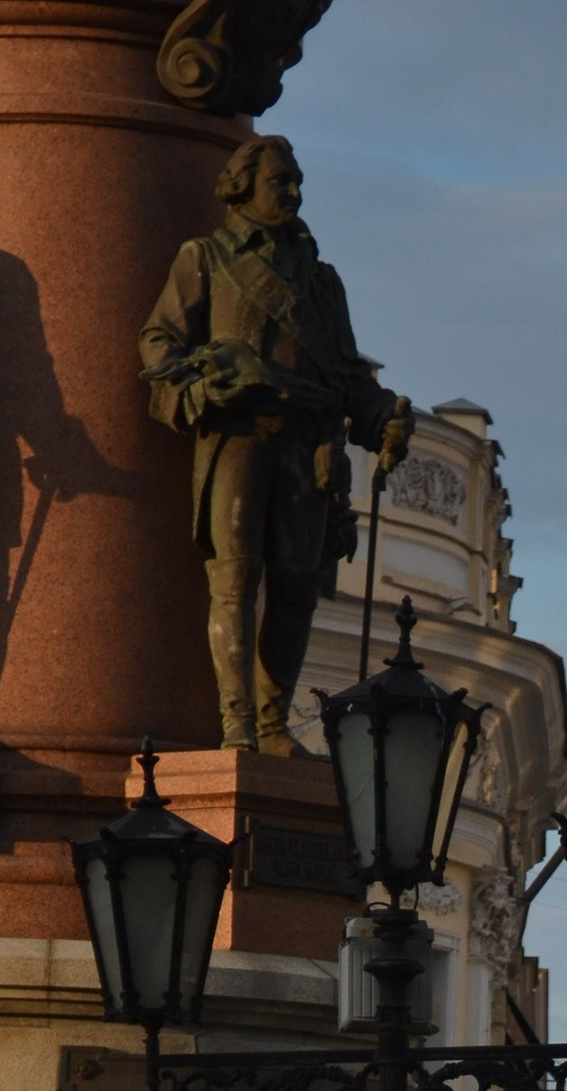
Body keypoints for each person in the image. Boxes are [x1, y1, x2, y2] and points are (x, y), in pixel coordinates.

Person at [140, 133, 410, 752]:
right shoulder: (207, 257)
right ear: (242, 187)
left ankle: (272, 722)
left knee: (294, 589)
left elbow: (346, 377)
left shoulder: (322, 281)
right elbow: (160, 344)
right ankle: (236, 722)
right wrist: (206, 384)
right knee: (235, 579)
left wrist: (382, 418)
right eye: (278, 181)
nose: (290, 192)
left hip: (308, 444)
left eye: (295, 183)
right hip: (239, 434)